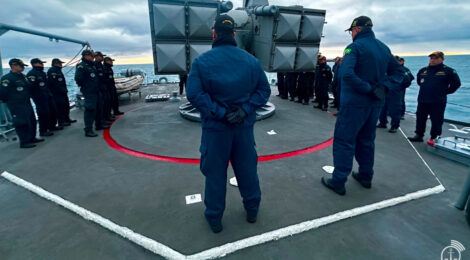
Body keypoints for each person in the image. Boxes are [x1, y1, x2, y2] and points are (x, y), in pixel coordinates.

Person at [186, 14, 271, 233]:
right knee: (247, 171)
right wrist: (244, 110)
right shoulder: (251, 61)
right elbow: (264, 90)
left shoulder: (201, 62)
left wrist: (221, 113)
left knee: (215, 174)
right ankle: (252, 209)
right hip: (243, 129)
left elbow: (194, 93)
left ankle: (215, 218)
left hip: (216, 130)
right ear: (234, 34)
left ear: (214, 34)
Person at [321, 16, 404, 195]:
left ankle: (338, 181)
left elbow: (347, 74)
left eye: (351, 31)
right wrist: (383, 87)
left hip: (354, 104)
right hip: (374, 105)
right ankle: (366, 176)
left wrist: (368, 89)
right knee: (366, 141)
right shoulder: (383, 47)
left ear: (356, 29)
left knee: (344, 141)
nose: (351, 35)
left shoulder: (354, 47)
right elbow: (400, 73)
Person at [408, 51, 461, 145]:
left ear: (442, 59)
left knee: (436, 120)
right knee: (420, 118)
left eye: (435, 58)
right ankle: (419, 135)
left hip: (438, 101)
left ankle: (434, 137)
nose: (433, 60)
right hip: (423, 99)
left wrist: (445, 92)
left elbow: (456, 84)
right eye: (431, 58)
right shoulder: (423, 70)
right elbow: (419, 82)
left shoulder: (448, 71)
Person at [0, 59, 44, 148]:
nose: (23, 67)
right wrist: (10, 101)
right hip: (16, 104)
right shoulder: (7, 78)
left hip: (26, 102)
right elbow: (2, 93)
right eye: (21, 66)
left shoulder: (23, 76)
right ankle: (24, 141)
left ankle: (32, 137)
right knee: (21, 122)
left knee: (31, 120)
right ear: (13, 65)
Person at [377, 55, 411, 133]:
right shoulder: (384, 69)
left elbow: (407, 81)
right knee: (382, 108)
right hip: (384, 91)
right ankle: (382, 122)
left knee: (395, 110)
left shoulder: (401, 70)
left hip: (395, 93)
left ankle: (394, 126)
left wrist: (399, 87)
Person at [27, 58, 60, 137]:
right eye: (40, 63)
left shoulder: (42, 73)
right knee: (43, 113)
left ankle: (52, 126)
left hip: (47, 95)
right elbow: (31, 87)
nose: (42, 65)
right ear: (34, 64)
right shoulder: (32, 74)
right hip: (39, 97)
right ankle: (43, 130)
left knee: (52, 111)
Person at [75, 50, 102, 137]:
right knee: (90, 109)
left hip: (95, 90)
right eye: (91, 56)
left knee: (98, 108)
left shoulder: (92, 65)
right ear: (86, 56)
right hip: (89, 91)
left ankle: (98, 125)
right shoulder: (81, 66)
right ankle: (88, 129)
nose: (93, 57)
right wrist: (87, 87)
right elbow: (78, 79)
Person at [48, 58, 76, 125]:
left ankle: (67, 118)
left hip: (63, 92)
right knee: (60, 107)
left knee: (66, 106)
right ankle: (61, 121)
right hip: (57, 93)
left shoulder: (58, 71)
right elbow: (52, 83)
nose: (61, 64)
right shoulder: (52, 71)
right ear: (55, 63)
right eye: (59, 63)